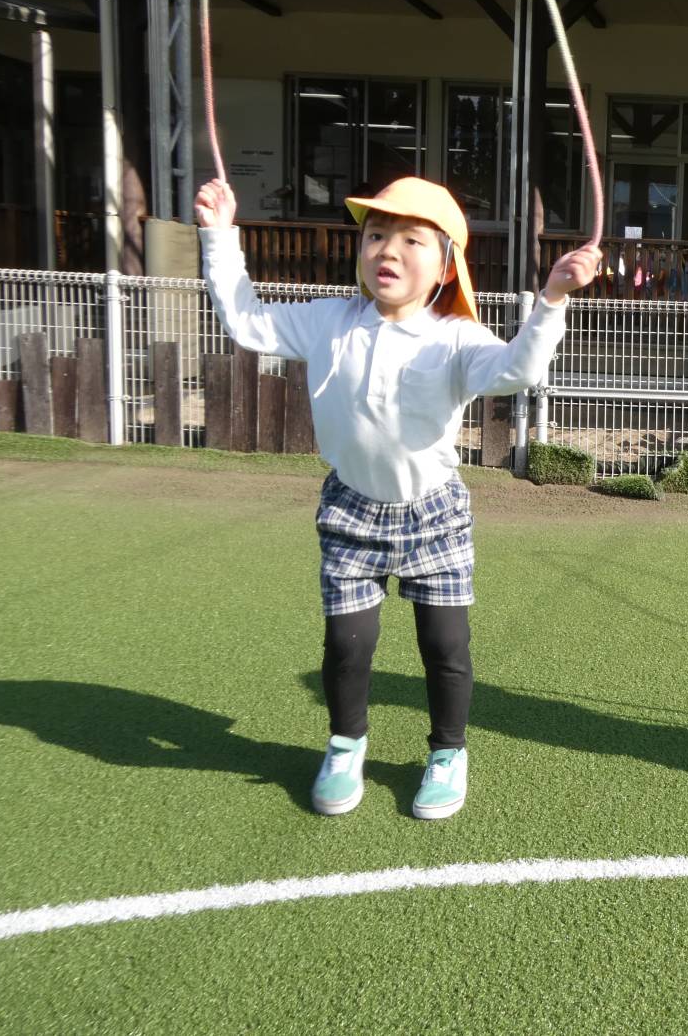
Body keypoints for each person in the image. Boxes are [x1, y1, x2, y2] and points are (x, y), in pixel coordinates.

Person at [194, 176, 601, 820]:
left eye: (413, 240)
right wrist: (219, 236)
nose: (388, 249)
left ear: (445, 266)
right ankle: (345, 745)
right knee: (347, 645)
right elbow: (246, 322)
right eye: (377, 234)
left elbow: (517, 371)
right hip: (350, 508)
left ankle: (448, 752)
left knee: (446, 646)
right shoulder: (328, 321)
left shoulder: (456, 337)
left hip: (434, 513)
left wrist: (552, 298)